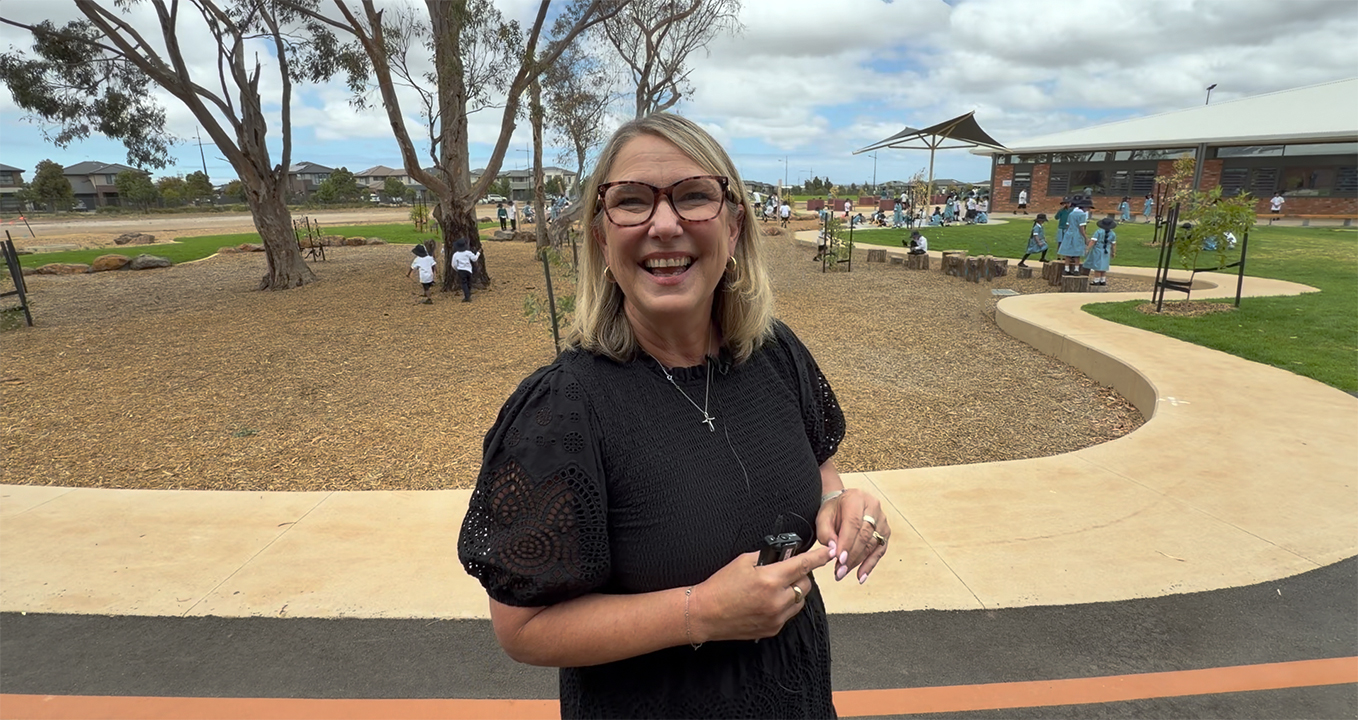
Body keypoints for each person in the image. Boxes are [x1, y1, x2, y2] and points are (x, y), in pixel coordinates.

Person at [458, 112, 888, 719]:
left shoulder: (775, 353)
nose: (665, 224)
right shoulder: (562, 411)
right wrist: (700, 612)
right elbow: (523, 629)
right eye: (632, 201)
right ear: (602, 237)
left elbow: (820, 467)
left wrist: (839, 505)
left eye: (693, 197)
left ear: (734, 227)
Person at [1057, 197, 1092, 276]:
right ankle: (1076, 269)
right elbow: (1081, 227)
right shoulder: (1082, 214)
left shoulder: (1071, 213)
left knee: (1068, 252)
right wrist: (1086, 237)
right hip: (1077, 234)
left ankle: (1066, 269)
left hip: (1069, 233)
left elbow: (1068, 224)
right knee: (1077, 253)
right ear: (1085, 207)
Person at [1085, 217, 1116, 286]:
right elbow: (1113, 244)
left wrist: (1087, 248)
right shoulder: (1113, 234)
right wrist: (1113, 252)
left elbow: (1093, 241)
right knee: (1104, 266)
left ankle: (1096, 280)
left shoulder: (1098, 232)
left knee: (1097, 266)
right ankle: (1103, 280)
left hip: (1098, 250)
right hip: (1106, 251)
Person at [450, 238, 481, 302]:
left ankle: (467, 296)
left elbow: (453, 264)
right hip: (468, 269)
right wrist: (478, 253)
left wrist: (457, 269)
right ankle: (468, 294)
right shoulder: (468, 253)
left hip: (461, 270)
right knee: (469, 282)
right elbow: (474, 259)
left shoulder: (456, 255)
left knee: (464, 283)